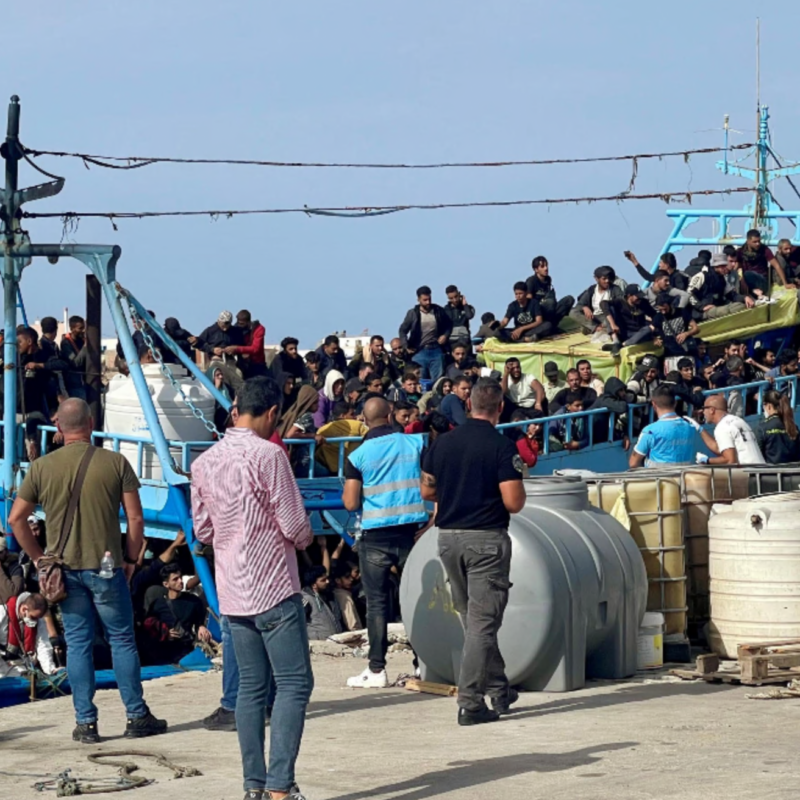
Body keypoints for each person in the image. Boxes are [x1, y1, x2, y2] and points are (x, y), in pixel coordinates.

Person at [9, 398, 167, 743]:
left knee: (78, 645)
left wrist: (38, 558)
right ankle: (136, 716)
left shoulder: (41, 468)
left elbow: (16, 519)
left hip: (64, 574)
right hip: (108, 568)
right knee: (122, 640)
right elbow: (136, 519)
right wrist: (130, 560)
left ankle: (86, 724)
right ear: (92, 423)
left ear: (60, 428)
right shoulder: (115, 462)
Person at [192, 376, 314, 800]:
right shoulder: (270, 456)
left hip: (232, 591)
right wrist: (306, 539)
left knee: (250, 688)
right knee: (295, 684)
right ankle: (281, 785)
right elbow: (294, 524)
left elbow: (203, 529)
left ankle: (254, 786)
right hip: (274, 587)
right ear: (272, 413)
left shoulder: (203, 462)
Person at [421, 378, 525, 725]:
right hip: (486, 540)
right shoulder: (501, 446)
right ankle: (471, 702)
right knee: (483, 623)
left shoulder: (442, 443)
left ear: (469, 406)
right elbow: (513, 503)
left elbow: (427, 489)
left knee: (474, 620)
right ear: (499, 408)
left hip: (448, 538)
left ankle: (499, 688)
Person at [342, 396, 428, 687]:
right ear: (391, 413)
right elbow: (433, 485)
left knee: (377, 605)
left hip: (375, 536)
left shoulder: (358, 455)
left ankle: (377, 670)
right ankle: (423, 665)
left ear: (364, 420)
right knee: (415, 601)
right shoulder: (416, 444)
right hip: (412, 533)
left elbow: (351, 502)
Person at [142, 563, 212, 664]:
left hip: (186, 649)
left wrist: (201, 627)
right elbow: (149, 626)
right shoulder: (157, 604)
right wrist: (165, 633)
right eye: (175, 579)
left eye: (180, 577)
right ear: (166, 584)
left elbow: (199, 622)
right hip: (163, 652)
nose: (180, 581)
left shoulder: (194, 601)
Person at [629, 386, 700, 468]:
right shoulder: (689, 426)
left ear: (654, 404)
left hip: (657, 479)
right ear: (675, 403)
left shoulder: (650, 431)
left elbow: (633, 463)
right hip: (683, 478)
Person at [398, 286, 453, 382]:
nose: (428, 302)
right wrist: (406, 346)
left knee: (438, 381)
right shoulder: (413, 313)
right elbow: (403, 330)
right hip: (419, 351)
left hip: (436, 350)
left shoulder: (438, 311)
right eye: (425, 300)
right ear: (418, 299)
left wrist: (445, 335)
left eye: (429, 299)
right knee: (420, 380)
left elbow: (449, 325)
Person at [697, 394, 765, 465]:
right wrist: (700, 429)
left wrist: (707, 461)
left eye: (704, 408)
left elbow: (730, 460)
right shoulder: (738, 420)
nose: (703, 412)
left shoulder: (722, 427)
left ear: (712, 410)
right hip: (761, 471)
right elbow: (720, 448)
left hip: (749, 473)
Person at [0, 590, 57, 676]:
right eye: (33, 617)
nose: (35, 621)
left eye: (37, 618)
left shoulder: (39, 621)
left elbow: (43, 646)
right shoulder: (2, 613)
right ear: (24, 609)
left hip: (23, 666)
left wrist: (51, 670)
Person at [689, 253, 751, 319]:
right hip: (702, 313)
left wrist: (744, 298)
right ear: (716, 266)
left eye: (725, 265)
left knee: (741, 305)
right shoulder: (702, 276)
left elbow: (731, 295)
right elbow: (689, 294)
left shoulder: (722, 280)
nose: (725, 268)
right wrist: (701, 307)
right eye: (723, 266)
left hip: (716, 308)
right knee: (736, 307)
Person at [569, 266, 625, 338]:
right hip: (595, 318)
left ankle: (602, 329)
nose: (607, 281)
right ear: (596, 279)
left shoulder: (615, 289)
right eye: (604, 279)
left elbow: (621, 304)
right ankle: (596, 328)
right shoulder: (592, 289)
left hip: (608, 317)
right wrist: (585, 307)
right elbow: (580, 303)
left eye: (608, 278)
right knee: (573, 312)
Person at [602, 284, 656, 355]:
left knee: (648, 329)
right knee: (609, 310)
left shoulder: (643, 303)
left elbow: (655, 315)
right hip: (623, 332)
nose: (640, 298)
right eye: (637, 296)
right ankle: (616, 341)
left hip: (638, 334)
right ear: (629, 296)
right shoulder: (620, 302)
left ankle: (621, 345)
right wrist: (613, 324)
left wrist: (655, 327)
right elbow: (603, 304)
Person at [316, 401, 367, 475]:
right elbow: (372, 436)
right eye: (352, 414)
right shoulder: (357, 425)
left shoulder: (323, 430)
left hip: (332, 470)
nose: (355, 417)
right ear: (343, 416)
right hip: (354, 468)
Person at [525, 255, 574, 331]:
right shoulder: (531, 281)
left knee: (569, 299)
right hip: (537, 313)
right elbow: (528, 301)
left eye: (546, 265)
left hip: (550, 310)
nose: (546, 268)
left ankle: (551, 325)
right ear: (536, 269)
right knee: (550, 302)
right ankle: (545, 326)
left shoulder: (548, 279)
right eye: (542, 266)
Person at [737, 228, 788, 295]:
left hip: (763, 281)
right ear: (748, 241)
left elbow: (776, 265)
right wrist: (741, 279)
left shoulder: (764, 250)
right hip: (747, 282)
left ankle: (754, 291)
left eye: (759, 241)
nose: (758, 244)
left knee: (747, 274)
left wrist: (785, 284)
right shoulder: (741, 252)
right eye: (754, 242)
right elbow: (737, 267)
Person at [756, 389, 800, 464]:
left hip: (771, 473)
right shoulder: (793, 426)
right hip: (794, 473)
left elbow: (758, 455)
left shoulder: (762, 428)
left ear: (769, 406)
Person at [651, 293, 700, 357]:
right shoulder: (658, 317)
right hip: (670, 353)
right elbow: (649, 330)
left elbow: (696, 328)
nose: (663, 312)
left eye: (665, 309)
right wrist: (654, 339)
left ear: (670, 305)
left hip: (686, 350)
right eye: (660, 310)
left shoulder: (682, 312)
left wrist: (686, 334)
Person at [301, 566, 343, 640]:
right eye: (323, 580)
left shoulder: (329, 596)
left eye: (327, 578)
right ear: (313, 585)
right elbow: (299, 623)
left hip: (335, 642)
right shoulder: (306, 599)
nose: (327, 581)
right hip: (318, 645)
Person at [223, 310, 266, 379]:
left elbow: (256, 348)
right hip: (242, 364)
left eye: (242, 324)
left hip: (257, 365)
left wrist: (237, 349)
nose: (240, 326)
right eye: (238, 323)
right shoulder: (236, 329)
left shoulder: (259, 329)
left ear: (248, 322)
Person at [624, 250, 689, 292]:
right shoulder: (663, 276)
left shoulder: (678, 277)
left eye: (661, 262)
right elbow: (648, 277)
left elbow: (681, 293)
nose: (659, 265)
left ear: (667, 264)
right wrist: (634, 261)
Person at [59, 315, 89, 400]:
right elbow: (76, 363)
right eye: (80, 328)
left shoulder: (81, 340)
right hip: (74, 384)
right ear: (72, 329)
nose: (83, 331)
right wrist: (86, 346)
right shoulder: (66, 343)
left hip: (84, 382)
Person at [331, 562, 363, 632]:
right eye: (347, 577)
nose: (351, 579)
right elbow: (352, 623)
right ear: (337, 580)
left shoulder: (335, 594)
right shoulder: (344, 596)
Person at [443, 285, 476, 350]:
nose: (454, 300)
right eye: (451, 298)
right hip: (451, 342)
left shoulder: (468, 308)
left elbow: (469, 316)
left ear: (459, 294)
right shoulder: (445, 310)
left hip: (465, 341)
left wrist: (465, 305)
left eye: (456, 296)